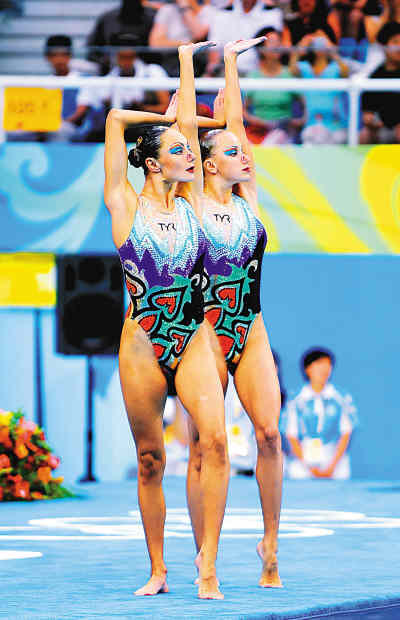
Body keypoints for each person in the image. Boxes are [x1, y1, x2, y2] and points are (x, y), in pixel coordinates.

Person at [104, 41, 229, 599]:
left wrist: (186, 63)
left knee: (216, 442)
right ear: (153, 163)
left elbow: (189, 128)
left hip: (193, 333)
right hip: (142, 341)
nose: (191, 154)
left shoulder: (192, 198)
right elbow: (114, 118)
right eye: (179, 149)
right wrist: (161, 118)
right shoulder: (125, 203)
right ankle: (158, 568)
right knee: (151, 459)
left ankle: (209, 564)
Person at [187, 37, 283, 589]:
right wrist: (200, 68)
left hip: (251, 325)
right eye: (230, 152)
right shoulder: (190, 202)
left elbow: (238, 126)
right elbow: (204, 129)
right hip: (203, 332)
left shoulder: (247, 199)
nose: (242, 155)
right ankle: (206, 556)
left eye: (241, 151)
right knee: (208, 447)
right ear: (207, 163)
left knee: (268, 434)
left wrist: (230, 65)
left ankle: (270, 544)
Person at [284, 348, 358, 479]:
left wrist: (332, 466)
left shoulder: (341, 397)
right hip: (304, 457)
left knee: (342, 473)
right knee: (296, 472)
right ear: (307, 369)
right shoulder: (295, 398)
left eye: (328, 364)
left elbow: (346, 433)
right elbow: (291, 435)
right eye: (319, 364)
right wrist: (309, 466)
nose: (324, 369)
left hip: (333, 456)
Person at [244, 27, 305, 144]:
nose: (276, 45)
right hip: (258, 131)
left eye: (278, 41)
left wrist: (295, 122)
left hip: (284, 132)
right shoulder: (253, 76)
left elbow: (305, 105)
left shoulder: (289, 75)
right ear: (261, 49)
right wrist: (257, 122)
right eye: (272, 42)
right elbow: (243, 110)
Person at [289, 33, 349, 144]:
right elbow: (293, 69)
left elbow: (345, 73)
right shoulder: (306, 68)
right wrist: (300, 47)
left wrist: (333, 51)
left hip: (335, 124)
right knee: (311, 137)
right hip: (311, 123)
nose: (320, 47)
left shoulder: (334, 68)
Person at [206, 0, 283, 75]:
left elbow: (274, 50)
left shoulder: (273, 13)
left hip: (261, 74)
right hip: (227, 72)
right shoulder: (222, 13)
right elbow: (214, 51)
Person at [149, 0, 217, 76]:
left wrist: (185, 8)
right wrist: (186, 45)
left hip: (197, 62)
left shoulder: (209, 11)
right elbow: (155, 43)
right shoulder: (168, 10)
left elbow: (198, 33)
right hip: (171, 60)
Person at [87, 0, 155, 74]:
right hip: (110, 73)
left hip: (144, 73)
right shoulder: (107, 19)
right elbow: (93, 51)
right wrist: (106, 65)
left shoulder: (153, 18)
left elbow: (156, 54)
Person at [360, 21, 400, 143]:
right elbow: (367, 114)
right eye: (395, 42)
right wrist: (372, 122)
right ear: (384, 46)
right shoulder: (375, 76)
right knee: (364, 135)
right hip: (382, 129)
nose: (399, 47)